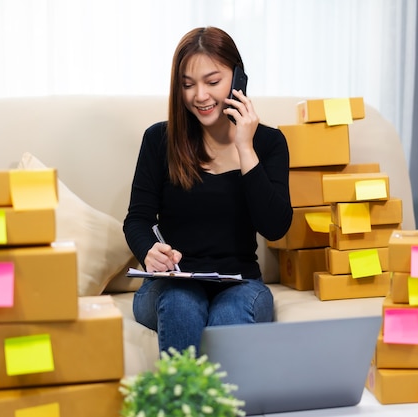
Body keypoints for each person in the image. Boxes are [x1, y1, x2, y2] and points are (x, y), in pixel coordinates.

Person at [123, 26, 293, 354]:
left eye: (212, 82)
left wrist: (245, 148)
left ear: (238, 78)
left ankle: (219, 404)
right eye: (188, 85)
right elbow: (137, 220)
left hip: (240, 284)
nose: (199, 96)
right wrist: (148, 252)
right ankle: (181, 402)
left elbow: (275, 228)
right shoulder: (160, 140)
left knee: (230, 311)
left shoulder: (269, 144)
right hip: (171, 285)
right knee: (181, 302)